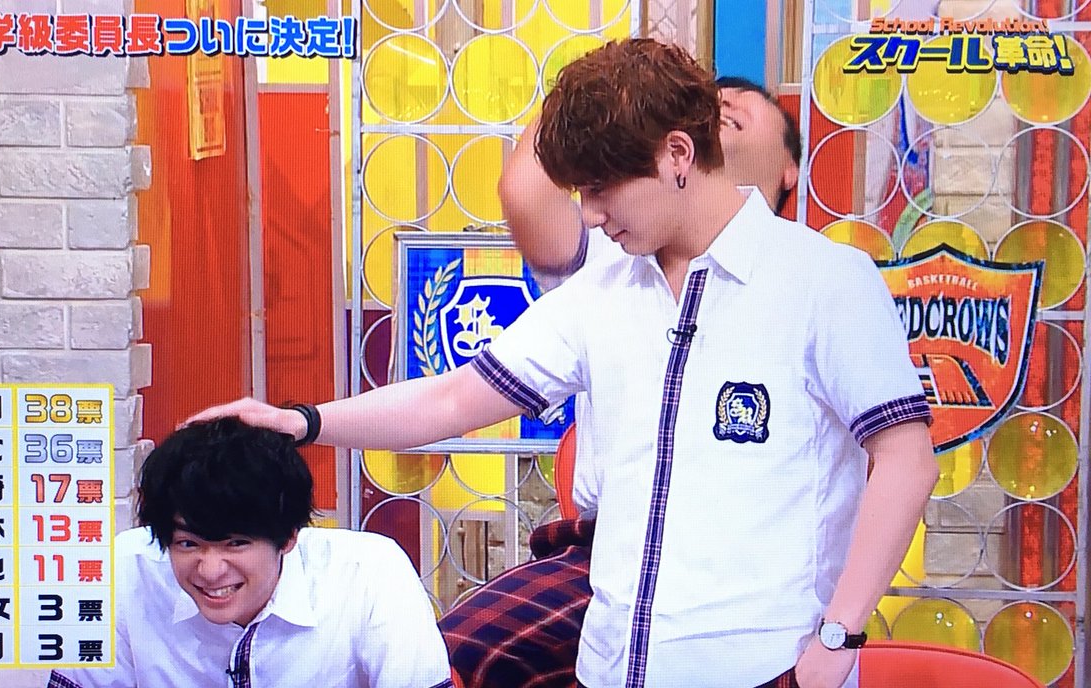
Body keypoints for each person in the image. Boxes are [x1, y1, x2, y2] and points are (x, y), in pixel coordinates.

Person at [188, 38, 937, 688]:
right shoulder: (606, 291)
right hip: (610, 663)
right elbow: (454, 399)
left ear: (678, 155)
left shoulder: (822, 282)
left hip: (764, 666)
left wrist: (839, 637)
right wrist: (302, 421)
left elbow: (906, 461)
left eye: (602, 189)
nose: (589, 215)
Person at [437, 75, 806, 688]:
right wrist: (592, 87)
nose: (728, 101)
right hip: (606, 548)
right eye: (713, 101)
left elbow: (890, 461)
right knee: (453, 657)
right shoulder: (617, 253)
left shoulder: (815, 281)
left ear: (791, 167)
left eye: (749, 106)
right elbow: (525, 192)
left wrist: (838, 629)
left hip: (751, 569)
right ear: (678, 148)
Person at [47, 418, 453, 688]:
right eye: (188, 543)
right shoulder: (123, 569)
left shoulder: (370, 572)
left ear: (288, 537)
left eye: (235, 543)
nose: (210, 571)